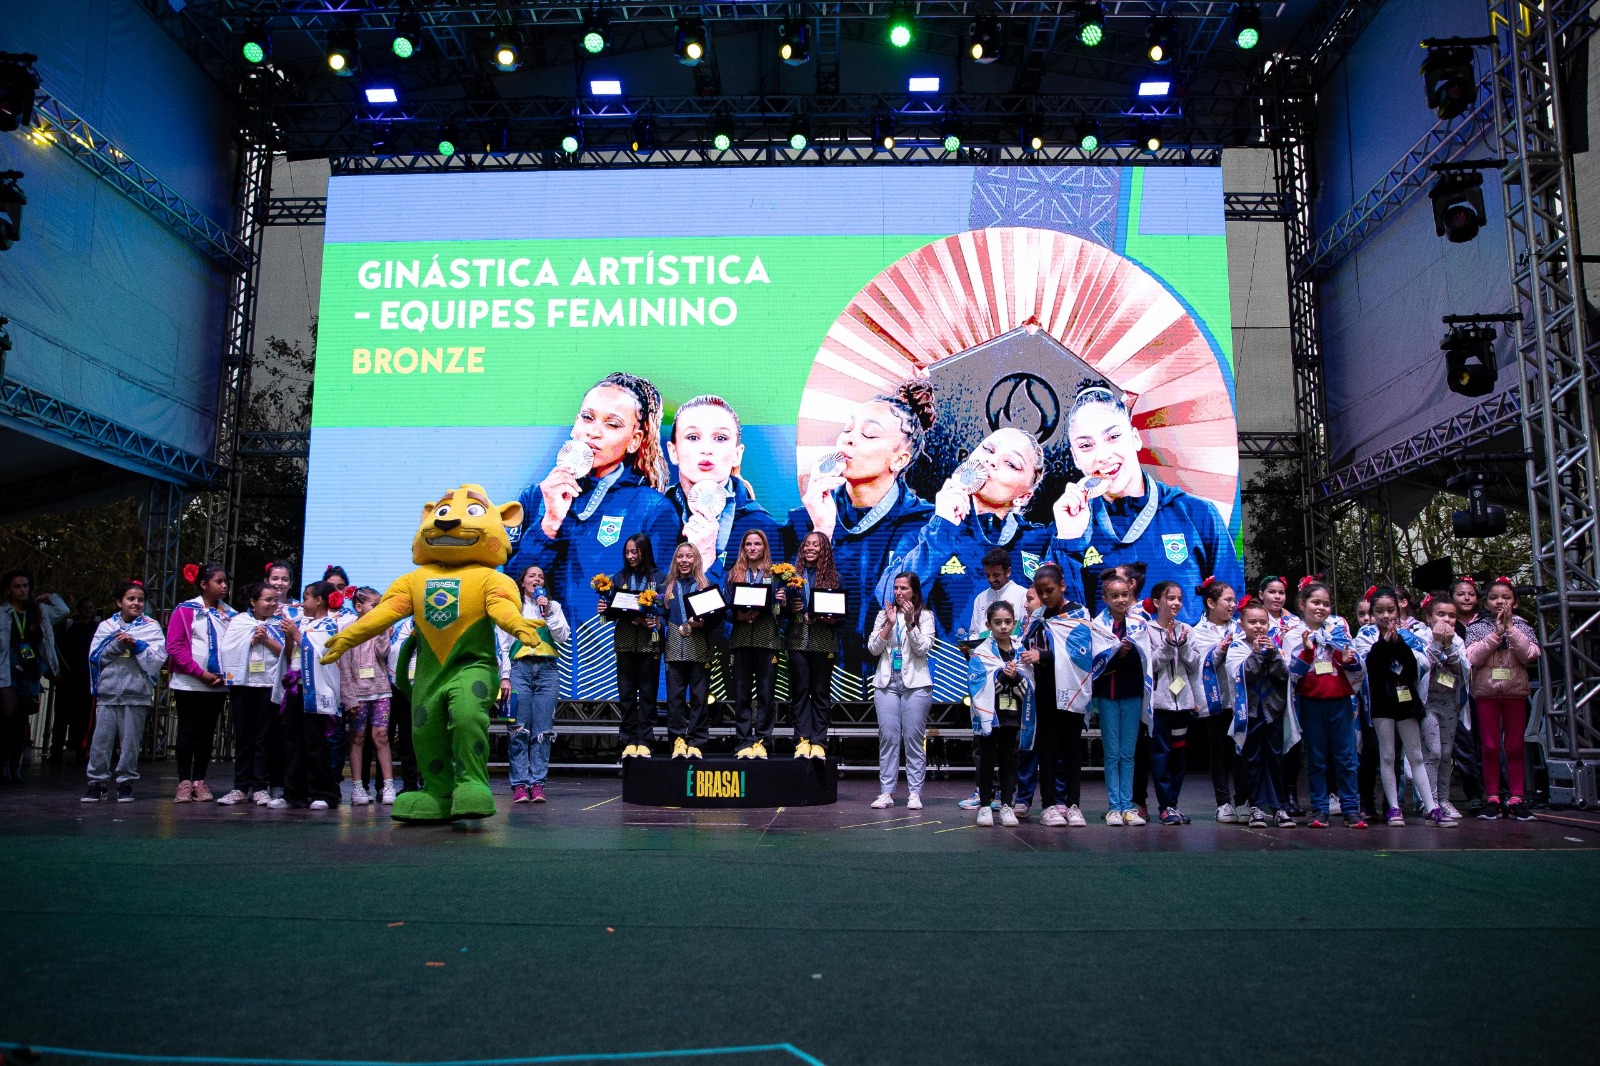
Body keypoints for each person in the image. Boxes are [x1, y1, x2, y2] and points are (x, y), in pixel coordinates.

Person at [507, 372, 681, 699]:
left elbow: (664, 595)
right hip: (540, 661)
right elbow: (512, 586)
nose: (593, 432)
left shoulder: (652, 508)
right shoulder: (536, 496)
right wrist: (549, 524)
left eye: (612, 424)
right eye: (587, 418)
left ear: (635, 439)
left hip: (615, 669)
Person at [879, 426, 1067, 697]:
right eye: (988, 450)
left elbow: (1065, 617)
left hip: (1018, 683)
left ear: (1025, 495)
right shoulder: (924, 528)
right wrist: (941, 527)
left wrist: (1071, 542)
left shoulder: (1040, 540)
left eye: (1011, 463)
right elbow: (889, 599)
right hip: (945, 685)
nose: (991, 461)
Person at [785, 381, 936, 699]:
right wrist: (822, 532)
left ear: (900, 459)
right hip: (820, 682)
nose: (849, 440)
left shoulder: (927, 526)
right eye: (847, 430)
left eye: (868, 435)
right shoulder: (802, 519)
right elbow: (794, 612)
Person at [1051, 385, 1244, 626]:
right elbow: (1061, 620)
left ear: (1135, 438)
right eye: (1086, 446)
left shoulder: (1197, 515)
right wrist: (1069, 541)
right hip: (1110, 662)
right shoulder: (1069, 528)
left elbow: (1231, 608)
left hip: (1182, 659)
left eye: (1113, 437)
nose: (1102, 455)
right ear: (1075, 457)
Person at [1355, 587, 1455, 827]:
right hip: (1380, 703)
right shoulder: (1366, 635)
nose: (1385, 615)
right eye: (1379, 611)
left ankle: (1432, 807)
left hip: (1406, 701)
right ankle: (1394, 808)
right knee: (1387, 755)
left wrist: (1401, 644)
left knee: (1416, 755)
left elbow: (1417, 667)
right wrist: (1385, 644)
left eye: (1391, 610)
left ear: (1399, 609)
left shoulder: (1413, 632)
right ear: (1372, 612)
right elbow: (1370, 667)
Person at [665, 394, 785, 586]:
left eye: (720, 438)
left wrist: (706, 558)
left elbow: (763, 610)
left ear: (737, 455)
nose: (706, 449)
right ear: (673, 451)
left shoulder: (763, 526)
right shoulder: (652, 514)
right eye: (693, 437)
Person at [1284, 578, 1366, 828]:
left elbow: (1354, 667)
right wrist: (1308, 651)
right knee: (1317, 758)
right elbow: (1292, 672)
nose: (1321, 608)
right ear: (1302, 604)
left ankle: (1351, 808)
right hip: (1311, 702)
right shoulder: (1293, 635)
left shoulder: (1338, 632)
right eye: (1315, 602)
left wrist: (1349, 659)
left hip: (1340, 701)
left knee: (1346, 756)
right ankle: (1319, 809)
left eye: (1326, 604)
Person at [957, 548, 1032, 812]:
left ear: (1009, 571)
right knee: (983, 735)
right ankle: (983, 790)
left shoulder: (1023, 595)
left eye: (997, 575)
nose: (993, 580)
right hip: (985, 677)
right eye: (988, 575)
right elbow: (978, 634)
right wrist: (969, 649)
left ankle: (1009, 794)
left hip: (1013, 675)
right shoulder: (981, 598)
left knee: (1009, 741)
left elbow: (1023, 636)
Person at [1024, 563, 1097, 828]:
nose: (1045, 597)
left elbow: (1079, 651)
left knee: (1071, 749)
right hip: (1045, 691)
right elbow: (1026, 645)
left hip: (1071, 689)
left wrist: (1041, 656)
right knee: (1048, 748)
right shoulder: (1037, 617)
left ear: (1062, 586)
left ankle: (1073, 803)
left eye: (1050, 591)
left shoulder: (1078, 613)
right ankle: (1049, 805)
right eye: (1041, 592)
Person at [82, 581, 165, 803]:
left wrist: (137, 645)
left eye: (140, 599)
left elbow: (157, 660)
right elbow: (95, 657)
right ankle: (97, 783)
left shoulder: (151, 627)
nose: (136, 603)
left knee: (130, 742)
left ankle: (125, 782)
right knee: (101, 741)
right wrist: (119, 645)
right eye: (131, 599)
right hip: (108, 694)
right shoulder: (107, 627)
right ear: (120, 602)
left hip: (136, 694)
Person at [1465, 578, 1541, 821]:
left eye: (1506, 597)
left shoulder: (1524, 626)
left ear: (1514, 602)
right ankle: (1493, 798)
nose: (1500, 601)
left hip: (1514, 692)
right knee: (1489, 747)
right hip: (1486, 693)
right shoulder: (1477, 627)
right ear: (1486, 602)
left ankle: (1516, 798)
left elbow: (1530, 654)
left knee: (1515, 747)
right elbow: (1473, 657)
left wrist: (1510, 629)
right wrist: (1496, 633)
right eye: (1494, 597)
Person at [166, 564, 235, 804]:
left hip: (217, 683)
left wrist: (222, 675)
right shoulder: (185, 610)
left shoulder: (231, 614)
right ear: (204, 585)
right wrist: (199, 673)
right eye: (218, 581)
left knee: (207, 732)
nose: (224, 586)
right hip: (189, 682)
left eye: (225, 581)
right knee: (187, 730)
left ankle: (200, 780)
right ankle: (184, 781)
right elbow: (174, 647)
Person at [499, 565, 568, 803]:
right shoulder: (512, 608)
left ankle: (537, 783)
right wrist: (504, 676)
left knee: (543, 731)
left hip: (547, 671)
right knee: (518, 729)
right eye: (532, 576)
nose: (536, 579)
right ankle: (519, 784)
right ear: (522, 582)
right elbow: (503, 644)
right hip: (519, 671)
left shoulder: (553, 606)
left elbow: (563, 635)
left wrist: (547, 612)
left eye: (540, 576)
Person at [1225, 598, 1295, 827]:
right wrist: (1256, 654)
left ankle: (1278, 807)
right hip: (1250, 713)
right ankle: (1255, 806)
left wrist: (1273, 653)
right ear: (1242, 624)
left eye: (1263, 622)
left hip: (1273, 712)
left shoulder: (1275, 646)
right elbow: (1244, 675)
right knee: (1251, 761)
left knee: (1275, 759)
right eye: (1252, 622)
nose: (1258, 627)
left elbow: (1284, 675)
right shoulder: (1236, 647)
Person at [868, 571, 935, 809]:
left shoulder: (925, 616)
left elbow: (923, 648)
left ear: (914, 591)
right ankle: (886, 792)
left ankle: (914, 793)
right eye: (896, 588)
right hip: (886, 683)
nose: (898, 592)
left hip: (915, 685)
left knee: (914, 740)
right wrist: (889, 624)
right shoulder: (883, 615)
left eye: (904, 588)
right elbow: (874, 649)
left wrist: (908, 624)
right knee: (888, 737)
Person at [1091, 571, 1151, 826]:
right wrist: (1120, 654)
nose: (1120, 600)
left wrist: (1130, 653)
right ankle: (1113, 807)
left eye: (1125, 595)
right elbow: (1096, 665)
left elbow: (1147, 659)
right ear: (1105, 598)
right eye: (1114, 596)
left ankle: (1128, 806)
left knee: (1129, 752)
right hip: (1107, 696)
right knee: (1112, 752)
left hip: (1131, 693)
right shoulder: (1098, 625)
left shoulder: (1140, 623)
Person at [1143, 582, 1205, 826]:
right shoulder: (1146, 630)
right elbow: (1150, 665)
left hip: (1183, 704)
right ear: (1157, 602)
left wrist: (1183, 645)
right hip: (1159, 706)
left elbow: (1194, 664)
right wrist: (1168, 646)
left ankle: (1174, 805)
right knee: (1161, 755)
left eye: (1179, 598)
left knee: (1178, 756)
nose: (1176, 603)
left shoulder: (1187, 629)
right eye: (1171, 598)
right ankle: (1164, 806)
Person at [217, 581, 284, 807]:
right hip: (243, 685)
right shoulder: (239, 622)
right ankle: (240, 786)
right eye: (267, 600)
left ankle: (260, 787)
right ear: (253, 602)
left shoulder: (281, 623)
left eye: (275, 600)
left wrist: (266, 639)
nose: (272, 604)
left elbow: (287, 652)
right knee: (244, 737)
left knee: (264, 738)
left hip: (268, 686)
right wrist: (250, 640)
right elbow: (227, 650)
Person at [0, 571, 68, 784]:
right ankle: (3, 762)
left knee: (22, 717)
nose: (22, 590)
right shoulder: (3, 612)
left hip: (29, 665)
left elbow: (63, 609)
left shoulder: (39, 611)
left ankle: (14, 765)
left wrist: (49, 596)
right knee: (8, 713)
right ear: (9, 590)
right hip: (7, 664)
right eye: (17, 586)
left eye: (25, 586)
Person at [726, 530, 788, 759]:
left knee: (766, 694)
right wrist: (737, 617)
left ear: (764, 547)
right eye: (748, 544)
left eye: (757, 544)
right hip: (741, 641)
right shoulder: (734, 574)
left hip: (768, 641)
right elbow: (725, 609)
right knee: (742, 695)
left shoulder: (777, 574)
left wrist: (783, 601)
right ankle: (743, 741)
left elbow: (784, 612)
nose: (753, 548)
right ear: (743, 548)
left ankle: (762, 740)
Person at [968, 601, 1030, 827]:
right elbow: (976, 684)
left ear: (1014, 623)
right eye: (998, 622)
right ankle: (984, 806)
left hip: (1012, 714)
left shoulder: (1022, 651)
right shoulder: (981, 652)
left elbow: (1030, 683)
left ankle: (1006, 805)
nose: (1003, 627)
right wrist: (1003, 675)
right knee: (986, 760)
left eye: (1007, 622)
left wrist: (1016, 677)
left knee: (1008, 760)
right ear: (988, 625)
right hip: (988, 716)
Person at [1192, 578, 1248, 823]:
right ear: (1211, 603)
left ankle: (1244, 800)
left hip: (1240, 701)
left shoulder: (1242, 628)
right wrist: (1219, 651)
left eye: (1234, 600)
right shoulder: (1197, 632)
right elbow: (1198, 666)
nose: (1233, 605)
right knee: (1218, 753)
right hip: (1216, 702)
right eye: (1228, 600)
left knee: (1242, 750)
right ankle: (1223, 803)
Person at [606, 534, 666, 758]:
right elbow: (612, 611)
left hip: (649, 645)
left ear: (645, 552)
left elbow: (666, 609)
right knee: (627, 694)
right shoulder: (617, 578)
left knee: (648, 694)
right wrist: (605, 608)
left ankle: (645, 739)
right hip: (624, 643)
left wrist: (653, 618)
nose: (631, 556)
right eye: (627, 552)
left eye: (635, 552)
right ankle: (629, 739)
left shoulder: (660, 578)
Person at [787, 531, 843, 760]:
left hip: (823, 642)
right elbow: (779, 613)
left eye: (816, 545)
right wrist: (788, 609)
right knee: (799, 692)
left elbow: (843, 615)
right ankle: (802, 740)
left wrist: (833, 619)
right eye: (807, 544)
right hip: (797, 640)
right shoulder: (790, 576)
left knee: (820, 692)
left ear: (825, 550)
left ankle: (819, 741)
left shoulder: (836, 578)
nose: (810, 548)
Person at [286, 581, 341, 810]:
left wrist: (296, 634)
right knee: (292, 742)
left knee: (314, 743)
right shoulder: (303, 624)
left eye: (307, 597)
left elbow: (318, 652)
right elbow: (291, 655)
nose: (303, 602)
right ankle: (294, 793)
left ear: (319, 600)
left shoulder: (328, 624)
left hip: (315, 691)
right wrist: (290, 636)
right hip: (295, 688)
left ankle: (324, 792)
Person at [338, 587, 395, 806]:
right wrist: (348, 698)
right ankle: (358, 787)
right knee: (358, 737)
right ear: (359, 607)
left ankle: (388, 784)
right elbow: (343, 667)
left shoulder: (381, 629)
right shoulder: (347, 629)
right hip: (357, 692)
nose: (378, 609)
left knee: (381, 735)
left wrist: (381, 631)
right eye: (374, 605)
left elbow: (383, 654)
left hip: (380, 690)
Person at [1418, 592, 1469, 822]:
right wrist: (1438, 643)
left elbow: (1463, 671)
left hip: (1449, 702)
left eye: (1451, 616)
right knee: (1434, 752)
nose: (1446, 620)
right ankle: (1431, 801)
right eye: (1440, 615)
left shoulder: (1458, 641)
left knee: (1447, 753)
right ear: (1429, 617)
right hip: (1427, 703)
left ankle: (1445, 799)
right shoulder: (1419, 637)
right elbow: (1422, 666)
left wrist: (1449, 647)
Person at [661, 544, 714, 762]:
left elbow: (716, 619)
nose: (684, 561)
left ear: (696, 560)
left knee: (700, 699)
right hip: (674, 650)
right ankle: (677, 741)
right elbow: (662, 615)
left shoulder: (706, 586)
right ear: (675, 561)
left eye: (689, 557)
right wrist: (655, 621)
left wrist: (705, 621)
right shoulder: (667, 587)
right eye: (680, 557)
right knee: (674, 699)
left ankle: (696, 741)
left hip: (699, 649)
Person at [1450, 576, 1490, 815]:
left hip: (1486, 689)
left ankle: (1496, 794)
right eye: (1461, 594)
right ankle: (1474, 795)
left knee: (1489, 744)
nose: (1466, 597)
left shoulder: (1487, 621)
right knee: (1464, 745)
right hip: (1457, 692)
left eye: (1471, 594)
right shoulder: (1446, 622)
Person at [48, 597, 98, 765]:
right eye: (85, 608)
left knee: (84, 717)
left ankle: (81, 749)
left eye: (91, 608)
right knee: (62, 716)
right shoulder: (69, 627)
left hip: (86, 678)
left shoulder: (98, 628)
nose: (88, 611)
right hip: (68, 678)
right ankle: (56, 750)